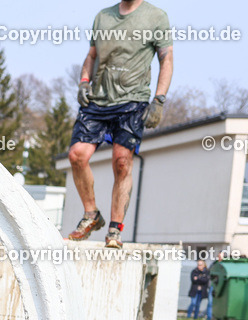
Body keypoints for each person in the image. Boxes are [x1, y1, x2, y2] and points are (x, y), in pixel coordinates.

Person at [67, 0, 173, 249]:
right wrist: (84, 81)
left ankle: (115, 229)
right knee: (77, 155)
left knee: (122, 162)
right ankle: (91, 214)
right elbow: (91, 55)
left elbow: (166, 60)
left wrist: (159, 99)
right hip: (98, 100)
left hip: (132, 101)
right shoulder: (103, 16)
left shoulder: (156, 17)